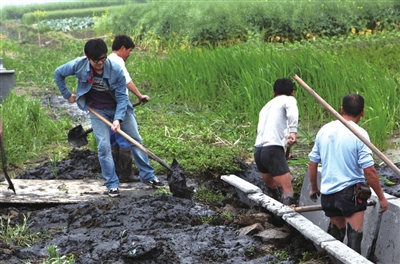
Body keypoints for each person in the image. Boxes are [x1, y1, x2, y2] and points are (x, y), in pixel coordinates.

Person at [54, 38, 162, 197]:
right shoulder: (79, 65)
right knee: (104, 146)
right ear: (88, 57)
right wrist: (67, 95)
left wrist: (118, 119)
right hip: (98, 111)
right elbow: (58, 73)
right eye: (95, 60)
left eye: (103, 59)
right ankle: (112, 184)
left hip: (120, 108)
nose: (100, 63)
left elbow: (122, 98)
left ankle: (148, 176)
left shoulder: (116, 70)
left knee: (135, 139)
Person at [308, 94, 388, 253]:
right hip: (350, 195)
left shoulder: (325, 129)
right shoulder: (360, 134)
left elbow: (312, 162)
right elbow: (369, 171)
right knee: (354, 237)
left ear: (342, 109)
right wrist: (381, 197)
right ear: (363, 112)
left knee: (336, 236)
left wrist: (314, 188)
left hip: (328, 194)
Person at [108, 34, 152, 183]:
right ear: (122, 48)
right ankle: (141, 175)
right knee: (131, 139)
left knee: (114, 138)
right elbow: (127, 81)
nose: (129, 55)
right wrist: (139, 96)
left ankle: (117, 173)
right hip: (121, 104)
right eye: (129, 51)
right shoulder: (118, 61)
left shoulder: (106, 60)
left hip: (108, 105)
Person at [254, 78, 298, 205]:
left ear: (274, 92)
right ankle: (287, 221)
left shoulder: (266, 106)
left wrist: (285, 148)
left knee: (272, 191)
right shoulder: (289, 99)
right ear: (292, 92)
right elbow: (292, 114)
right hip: (272, 149)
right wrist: (293, 132)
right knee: (287, 191)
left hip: (258, 150)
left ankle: (273, 221)